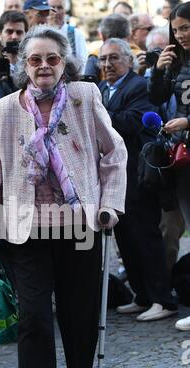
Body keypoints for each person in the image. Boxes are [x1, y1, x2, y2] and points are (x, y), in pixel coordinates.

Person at [0, 25, 127, 368]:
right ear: (23, 64)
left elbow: (114, 152)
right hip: (24, 231)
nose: (44, 66)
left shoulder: (85, 97)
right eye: (35, 59)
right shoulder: (3, 110)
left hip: (80, 226)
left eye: (52, 59)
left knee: (78, 315)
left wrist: (110, 205)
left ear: (65, 63)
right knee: (33, 317)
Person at [98, 38, 177, 322]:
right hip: (113, 178)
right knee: (125, 238)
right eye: (103, 59)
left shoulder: (138, 86)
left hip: (138, 173)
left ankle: (162, 299)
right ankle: (142, 295)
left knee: (145, 237)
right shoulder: (102, 89)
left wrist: (97, 115)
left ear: (129, 61)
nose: (107, 64)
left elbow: (132, 121)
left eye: (114, 58)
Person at [148, 1, 190, 331]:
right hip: (184, 158)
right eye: (176, 30)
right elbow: (157, 96)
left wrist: (187, 121)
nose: (181, 35)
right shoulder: (177, 60)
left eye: (186, 28)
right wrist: (158, 69)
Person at [48, 0, 88, 68]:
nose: (56, 11)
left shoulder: (76, 34)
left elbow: (83, 63)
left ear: (65, 10)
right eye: (52, 7)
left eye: (60, 7)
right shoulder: (40, 33)